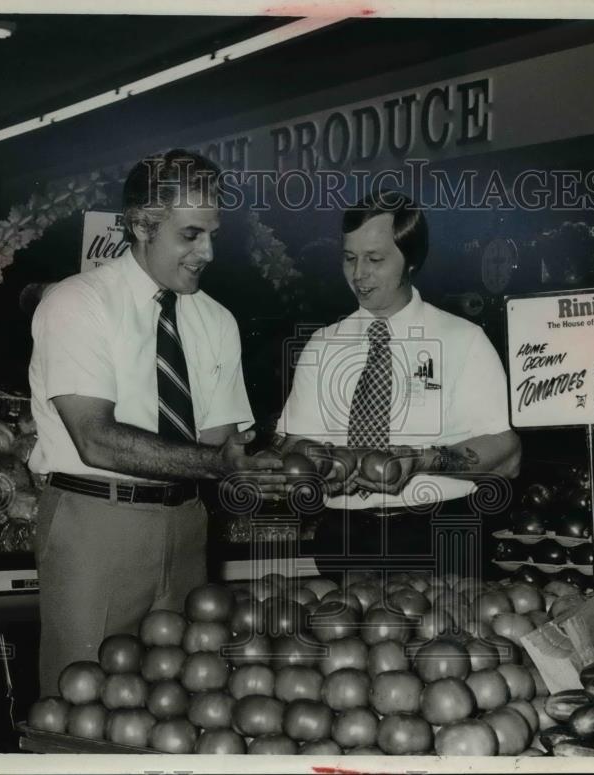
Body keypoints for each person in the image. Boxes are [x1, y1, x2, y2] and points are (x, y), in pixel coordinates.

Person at [27, 149, 283, 695]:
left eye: (213, 234)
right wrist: (218, 461)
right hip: (96, 524)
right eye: (191, 234)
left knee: (179, 703)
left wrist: (275, 467)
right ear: (144, 225)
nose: (207, 251)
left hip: (189, 524)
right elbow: (95, 438)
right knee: (83, 704)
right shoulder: (77, 303)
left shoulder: (217, 320)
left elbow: (222, 444)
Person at [276, 191, 521, 577]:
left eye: (375, 259)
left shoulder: (463, 340)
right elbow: (290, 443)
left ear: (411, 261)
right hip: (344, 539)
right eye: (350, 258)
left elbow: (506, 455)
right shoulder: (322, 345)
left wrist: (421, 460)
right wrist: (318, 461)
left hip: (441, 535)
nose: (359, 274)